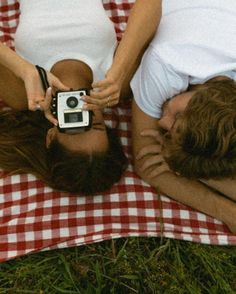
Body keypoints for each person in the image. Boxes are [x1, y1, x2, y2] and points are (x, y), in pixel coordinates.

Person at [0, 0, 161, 194]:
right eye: (96, 124)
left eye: (75, 125)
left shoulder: (24, 94)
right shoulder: (116, 84)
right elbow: (152, 4)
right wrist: (120, 67)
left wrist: (24, 69)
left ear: (51, 136)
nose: (85, 111)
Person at [131, 0, 236, 232]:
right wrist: (225, 211)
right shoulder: (166, 64)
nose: (161, 122)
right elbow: (146, 162)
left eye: (172, 126)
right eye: (176, 120)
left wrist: (196, 168)